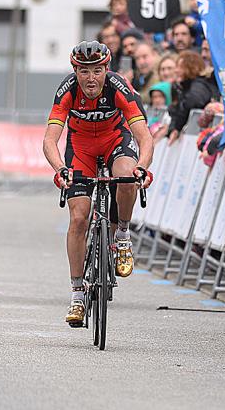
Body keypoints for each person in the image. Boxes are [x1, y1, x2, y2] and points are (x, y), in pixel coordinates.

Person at [42, 41, 154, 326]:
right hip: (80, 149)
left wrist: (142, 167)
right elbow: (50, 139)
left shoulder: (119, 87)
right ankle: (77, 295)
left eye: (96, 71)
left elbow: (144, 136)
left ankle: (123, 236)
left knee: (127, 176)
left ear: (106, 69)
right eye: (84, 71)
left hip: (115, 141)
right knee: (79, 218)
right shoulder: (67, 90)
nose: (90, 78)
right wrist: (60, 169)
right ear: (75, 71)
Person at [167, 50, 214, 144]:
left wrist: (177, 127)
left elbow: (192, 102)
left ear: (191, 67)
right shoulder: (184, 87)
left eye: (180, 67)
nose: (176, 70)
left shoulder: (199, 85)